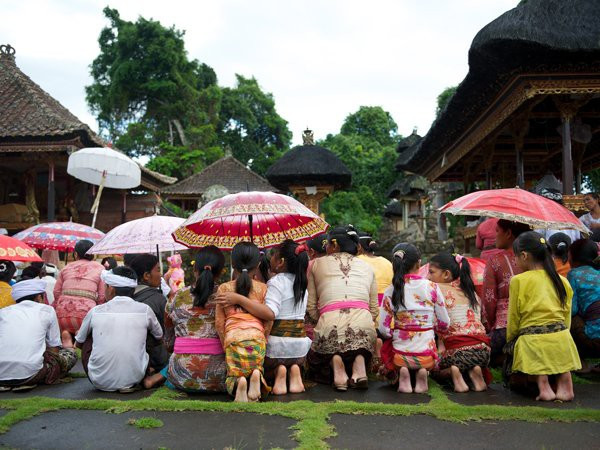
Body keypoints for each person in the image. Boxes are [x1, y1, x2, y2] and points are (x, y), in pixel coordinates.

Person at [505, 231, 581, 401]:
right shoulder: (562, 280)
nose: (515, 261)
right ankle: (565, 383)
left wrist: (510, 338)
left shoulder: (518, 280)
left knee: (531, 343)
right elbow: (566, 316)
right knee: (553, 344)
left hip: (532, 341)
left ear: (524, 256)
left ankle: (543, 386)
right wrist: (563, 334)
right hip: (562, 339)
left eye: (515, 257)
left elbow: (514, 316)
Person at [143, 246, 228, 392]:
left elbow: (168, 342)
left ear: (195, 270)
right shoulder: (227, 297)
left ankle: (162, 375)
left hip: (181, 375)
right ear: (220, 272)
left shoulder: (177, 296)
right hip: (220, 376)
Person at [306, 225, 378, 391]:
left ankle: (337, 365)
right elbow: (374, 310)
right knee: (358, 342)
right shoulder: (368, 267)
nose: (325, 248)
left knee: (324, 348)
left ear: (335, 245)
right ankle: (359, 364)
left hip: (329, 325)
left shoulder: (316, 264)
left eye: (327, 245)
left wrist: (321, 319)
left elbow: (310, 306)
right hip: (364, 325)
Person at [75, 266, 163, 392]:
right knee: (148, 333)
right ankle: (138, 370)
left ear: (111, 289)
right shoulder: (145, 310)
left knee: (87, 336)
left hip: (99, 380)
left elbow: (78, 343)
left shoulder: (96, 311)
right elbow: (159, 337)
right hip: (136, 378)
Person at [378, 243, 449, 394]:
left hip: (400, 354)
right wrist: (434, 330)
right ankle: (423, 371)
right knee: (427, 354)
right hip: (426, 353)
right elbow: (444, 323)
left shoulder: (392, 289)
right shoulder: (432, 287)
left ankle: (403, 371)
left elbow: (383, 329)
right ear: (419, 263)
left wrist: (392, 334)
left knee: (392, 347)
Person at [214, 242, 273, 402]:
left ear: (233, 264)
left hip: (233, 337)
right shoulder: (263, 288)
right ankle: (255, 374)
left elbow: (219, 323)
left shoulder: (224, 289)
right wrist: (264, 337)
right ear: (259, 264)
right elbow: (268, 321)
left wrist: (224, 342)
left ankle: (239, 382)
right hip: (256, 338)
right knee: (255, 365)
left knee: (234, 370)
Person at [427, 252, 490, 392]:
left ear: (446, 274)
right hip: (484, 351)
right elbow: (484, 320)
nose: (428, 277)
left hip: (458, 353)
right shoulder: (470, 292)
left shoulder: (436, 290)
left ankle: (453, 372)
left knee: (433, 369)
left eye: (431, 272)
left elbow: (433, 323)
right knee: (467, 358)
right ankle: (474, 370)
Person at [0, 279, 77, 390]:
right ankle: (25, 380)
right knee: (70, 353)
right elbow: (54, 349)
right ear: (39, 297)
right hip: (31, 374)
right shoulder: (47, 310)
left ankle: (6, 383)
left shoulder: (3, 312)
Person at [262, 240, 312, 395]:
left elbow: (271, 311)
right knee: (292, 361)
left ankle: (279, 372)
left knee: (262, 366)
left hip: (277, 348)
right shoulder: (301, 284)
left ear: (281, 262)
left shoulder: (276, 282)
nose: (270, 259)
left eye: (273, 256)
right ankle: (294, 370)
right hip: (300, 350)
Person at [482, 219, 530, 366]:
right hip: (534, 328)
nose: (494, 235)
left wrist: (489, 325)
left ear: (508, 233)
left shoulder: (495, 260)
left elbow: (489, 300)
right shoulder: (537, 260)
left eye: (497, 231)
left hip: (504, 330)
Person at [53, 240, 106, 348]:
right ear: (93, 254)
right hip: (85, 316)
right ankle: (79, 336)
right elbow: (101, 296)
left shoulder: (66, 268)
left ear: (76, 254)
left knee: (61, 320)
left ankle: (66, 333)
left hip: (62, 316)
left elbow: (56, 292)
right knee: (88, 326)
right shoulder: (100, 269)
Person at [129, 254, 169, 373]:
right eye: (158, 270)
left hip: (133, 358)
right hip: (157, 360)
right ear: (146, 276)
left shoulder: (126, 296)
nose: (161, 274)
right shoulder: (159, 300)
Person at [567, 238, 600, 371]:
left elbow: (573, 309)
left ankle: (580, 361)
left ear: (574, 256)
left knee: (570, 316)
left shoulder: (574, 274)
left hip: (592, 340)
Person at [357, 233, 393, 306]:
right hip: (386, 307)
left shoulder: (356, 261)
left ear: (359, 247)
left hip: (366, 306)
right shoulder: (386, 262)